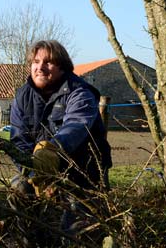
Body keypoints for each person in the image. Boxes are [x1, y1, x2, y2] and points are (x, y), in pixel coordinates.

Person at [8, 40, 111, 236]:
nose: (40, 67)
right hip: (40, 169)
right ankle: (28, 243)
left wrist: (53, 149)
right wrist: (35, 176)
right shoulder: (22, 96)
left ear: (62, 67)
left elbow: (76, 125)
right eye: (36, 61)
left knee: (79, 235)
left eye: (48, 62)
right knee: (18, 188)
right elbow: (19, 140)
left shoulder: (80, 93)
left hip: (84, 171)